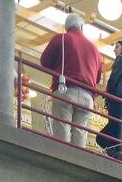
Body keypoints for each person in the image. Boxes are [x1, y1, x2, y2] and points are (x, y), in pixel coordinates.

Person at [39, 11, 102, 146]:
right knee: (80, 131)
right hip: (87, 97)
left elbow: (44, 61)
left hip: (65, 90)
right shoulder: (95, 50)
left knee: (63, 127)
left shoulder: (61, 38)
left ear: (67, 27)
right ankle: (77, 161)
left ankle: (62, 159)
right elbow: (98, 78)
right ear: (81, 27)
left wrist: (57, 67)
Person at [96, 39, 122, 159]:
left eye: (117, 47)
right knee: (102, 137)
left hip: (118, 104)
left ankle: (119, 159)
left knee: (116, 141)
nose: (114, 50)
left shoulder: (121, 59)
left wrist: (107, 96)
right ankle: (116, 156)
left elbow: (113, 80)